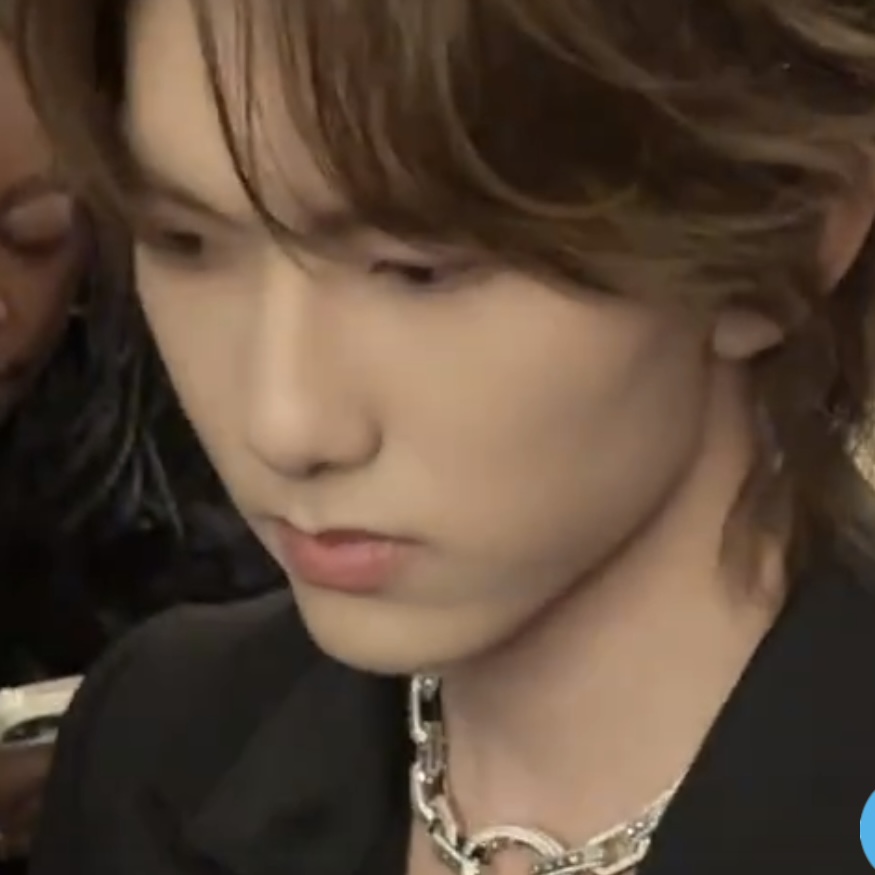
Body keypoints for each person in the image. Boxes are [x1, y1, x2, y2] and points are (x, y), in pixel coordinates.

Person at [14, 0, 875, 872]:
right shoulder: (156, 742)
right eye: (185, 241)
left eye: (419, 270)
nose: (284, 422)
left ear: (782, 240)